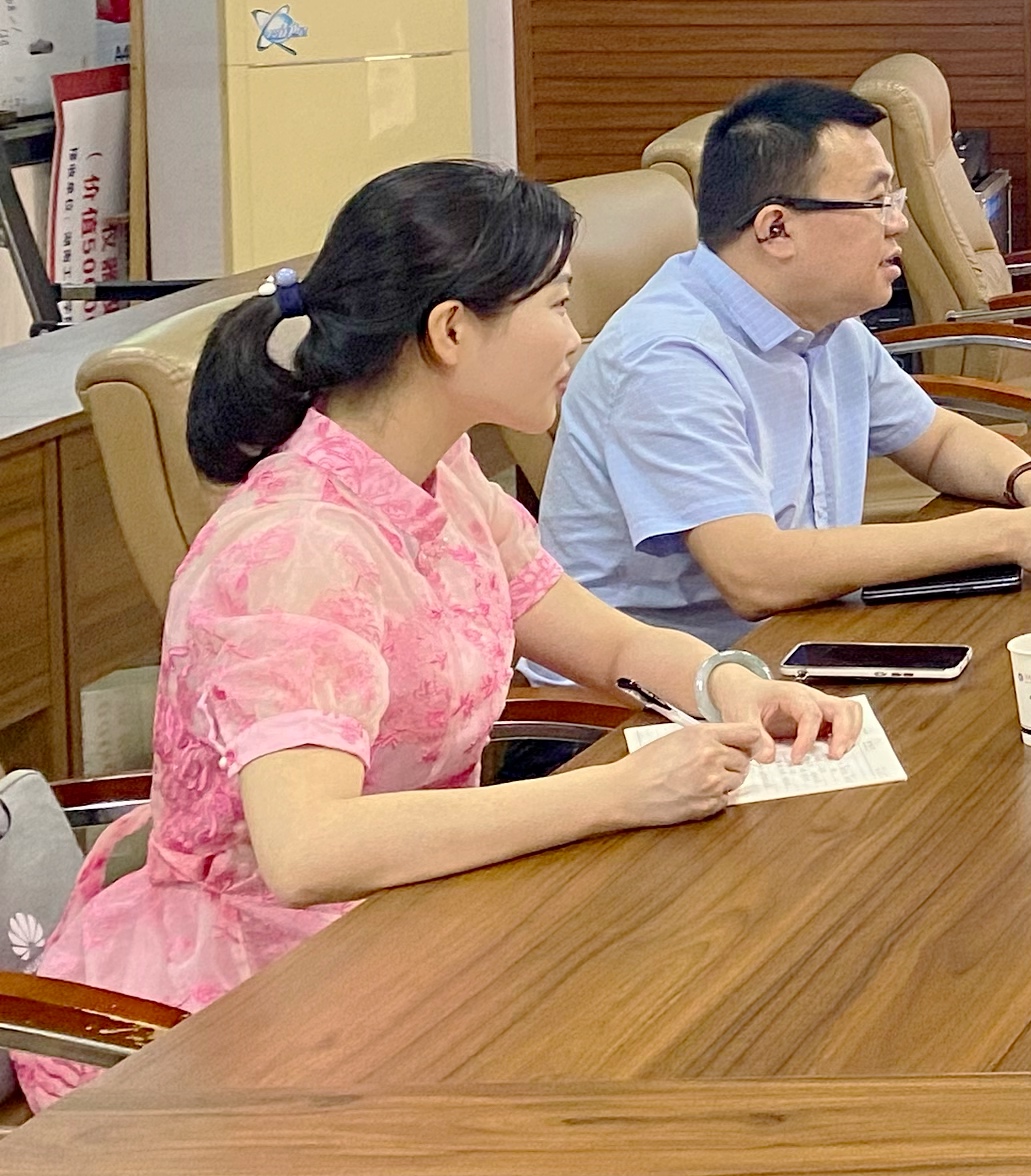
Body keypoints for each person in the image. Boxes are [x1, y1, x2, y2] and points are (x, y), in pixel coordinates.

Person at [11, 159, 864, 1108]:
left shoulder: (439, 470)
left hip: (423, 917)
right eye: (557, 306)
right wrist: (621, 792)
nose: (575, 336)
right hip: (257, 1000)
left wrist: (731, 685)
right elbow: (309, 851)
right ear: (452, 330)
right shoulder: (297, 549)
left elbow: (609, 644)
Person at [539, 79, 1031, 642]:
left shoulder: (823, 321)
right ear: (776, 229)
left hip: (803, 641)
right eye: (876, 203)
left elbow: (937, 441)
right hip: (660, 700)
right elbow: (754, 575)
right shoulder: (669, 356)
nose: (899, 225)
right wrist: (1009, 536)